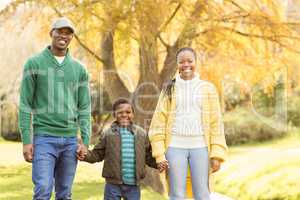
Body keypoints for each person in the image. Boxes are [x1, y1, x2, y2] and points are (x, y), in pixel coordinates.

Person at [18, 17, 91, 200]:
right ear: (51, 33)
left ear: (72, 37)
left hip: (70, 141)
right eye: (60, 31)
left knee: (65, 193)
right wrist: (27, 140)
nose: (63, 36)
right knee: (43, 188)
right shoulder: (34, 64)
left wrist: (85, 141)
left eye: (68, 33)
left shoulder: (79, 69)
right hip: (44, 138)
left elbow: (84, 107)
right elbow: (25, 104)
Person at [148, 47, 227, 200]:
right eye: (181, 62)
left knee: (202, 194)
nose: (186, 65)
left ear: (196, 62)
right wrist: (159, 155)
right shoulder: (169, 89)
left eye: (190, 61)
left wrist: (217, 154)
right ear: (177, 64)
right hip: (175, 147)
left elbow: (216, 123)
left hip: (201, 147)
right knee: (177, 194)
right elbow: (158, 123)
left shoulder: (208, 89)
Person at [78, 98, 157, 200]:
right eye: (120, 112)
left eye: (128, 112)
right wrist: (84, 155)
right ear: (114, 115)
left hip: (134, 185)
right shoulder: (108, 134)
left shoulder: (141, 134)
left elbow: (148, 156)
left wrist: (159, 163)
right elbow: (97, 154)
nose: (124, 115)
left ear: (133, 114)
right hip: (113, 185)